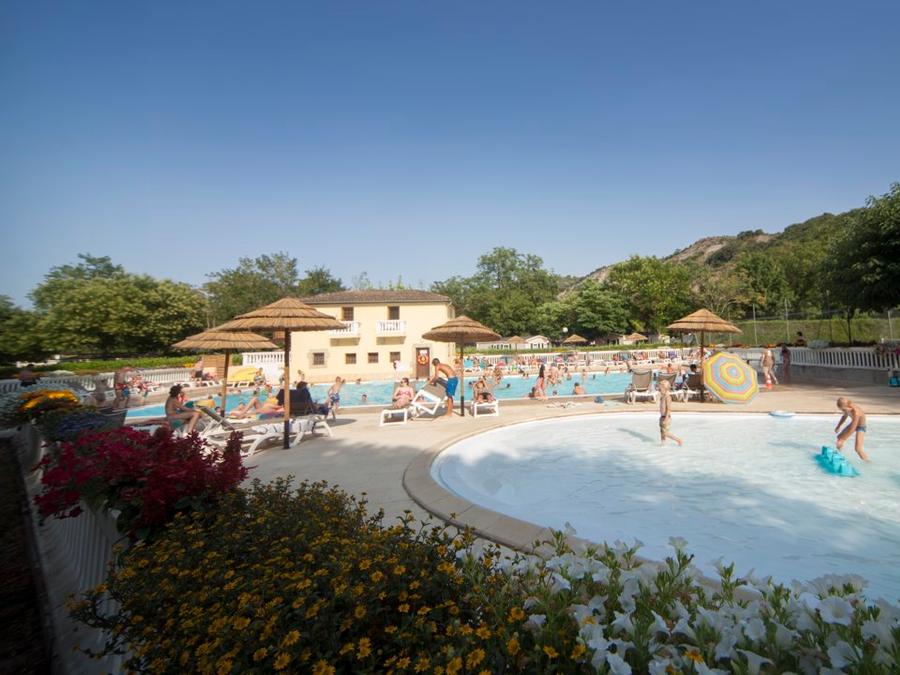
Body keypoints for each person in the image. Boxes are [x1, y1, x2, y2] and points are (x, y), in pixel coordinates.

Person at [657, 380, 683, 447]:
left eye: (660, 388)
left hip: (667, 417)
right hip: (662, 417)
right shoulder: (662, 397)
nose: (659, 390)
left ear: (664, 388)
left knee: (665, 432)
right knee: (662, 432)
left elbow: (668, 409)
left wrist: (666, 418)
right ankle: (663, 444)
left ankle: (678, 440)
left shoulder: (667, 397)